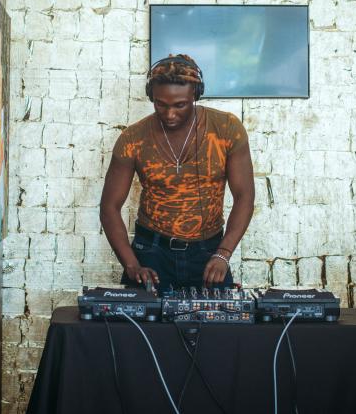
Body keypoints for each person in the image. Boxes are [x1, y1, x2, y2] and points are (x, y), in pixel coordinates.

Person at [99, 54, 255, 291]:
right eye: (161, 104)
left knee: (220, 327)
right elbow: (109, 207)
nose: (169, 114)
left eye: (180, 105)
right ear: (151, 97)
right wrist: (131, 264)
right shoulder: (132, 138)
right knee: (141, 327)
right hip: (151, 251)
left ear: (196, 95)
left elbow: (245, 197)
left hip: (210, 250)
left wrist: (223, 254)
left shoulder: (226, 129)